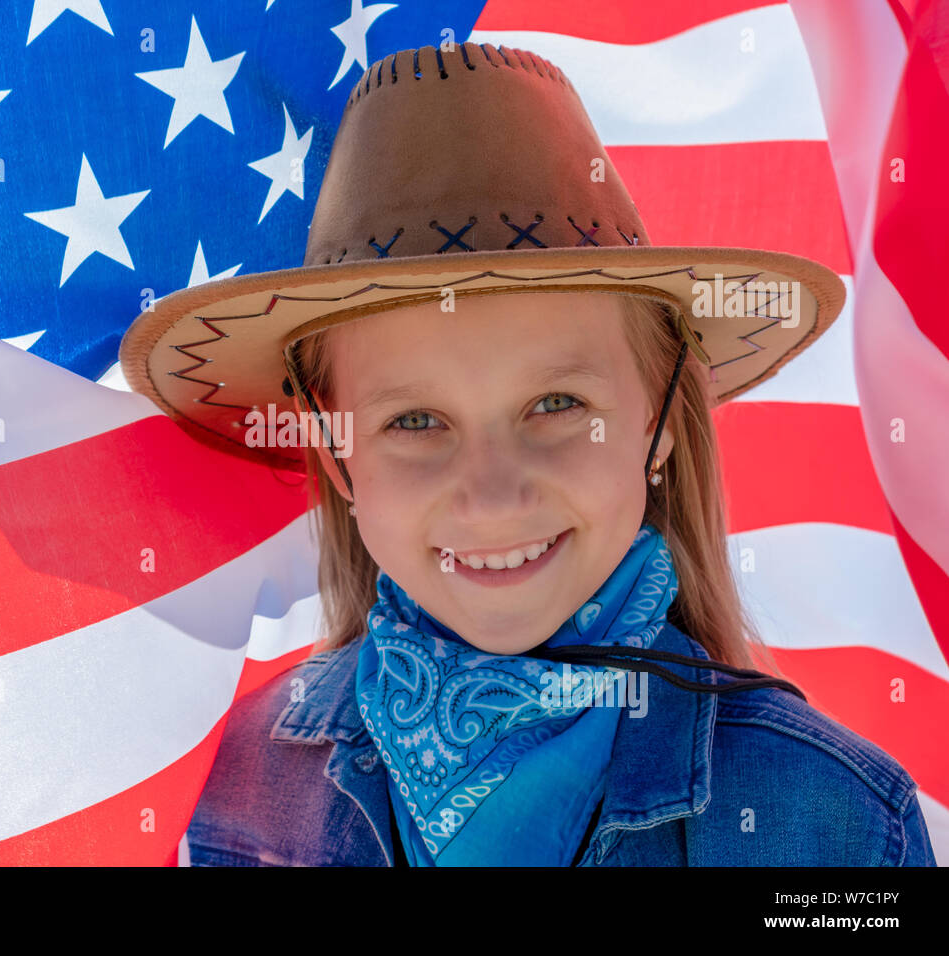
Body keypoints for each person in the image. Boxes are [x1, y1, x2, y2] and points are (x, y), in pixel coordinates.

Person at [118, 42, 937, 866]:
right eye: (414, 422)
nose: (492, 497)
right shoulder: (227, 795)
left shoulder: (835, 826)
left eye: (556, 405)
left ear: (659, 421)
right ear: (335, 456)